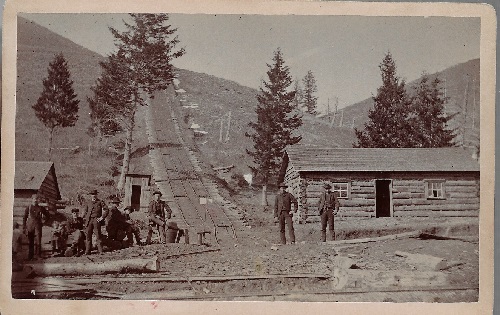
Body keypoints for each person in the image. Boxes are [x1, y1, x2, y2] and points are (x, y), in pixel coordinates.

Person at [82, 189, 109, 255]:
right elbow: (85, 212)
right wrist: (85, 218)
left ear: (97, 195)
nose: (93, 196)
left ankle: (100, 251)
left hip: (96, 221)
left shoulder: (100, 202)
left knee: (98, 235)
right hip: (89, 221)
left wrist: (102, 218)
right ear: (90, 195)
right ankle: (88, 251)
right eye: (92, 194)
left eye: (94, 194)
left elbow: (106, 210)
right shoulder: (88, 202)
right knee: (88, 236)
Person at [23, 194, 48, 260]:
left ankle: (38, 255)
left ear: (38, 200)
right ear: (32, 199)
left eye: (37, 199)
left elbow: (47, 216)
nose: (36, 200)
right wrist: (24, 227)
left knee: (38, 241)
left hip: (38, 226)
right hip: (30, 226)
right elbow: (24, 217)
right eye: (34, 199)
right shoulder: (28, 207)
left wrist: (43, 222)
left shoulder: (40, 208)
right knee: (31, 242)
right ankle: (30, 256)